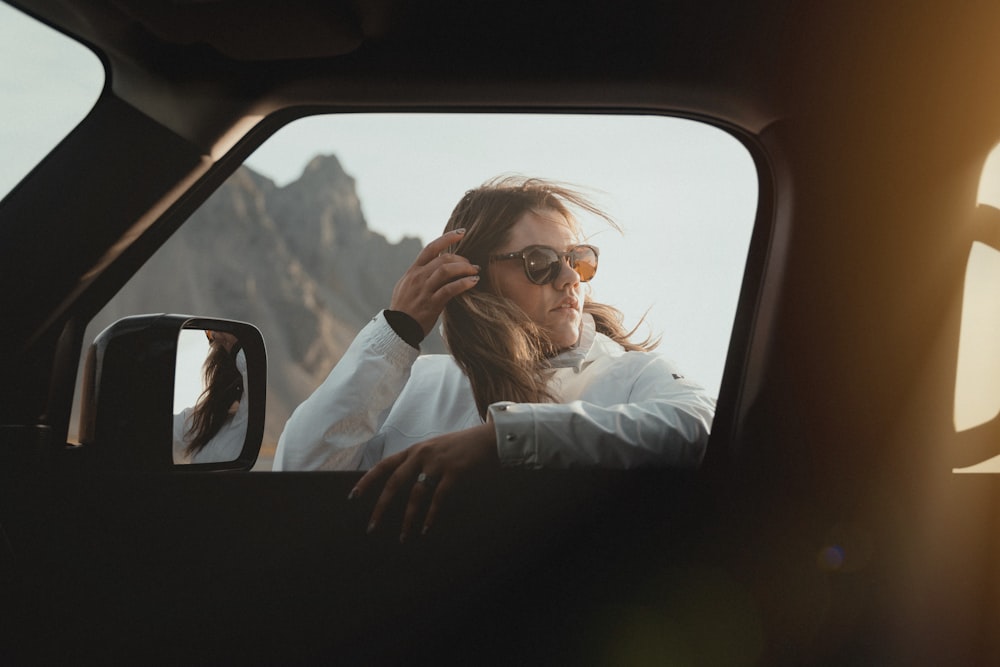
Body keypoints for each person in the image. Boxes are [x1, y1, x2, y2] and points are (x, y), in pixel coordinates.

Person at [274, 176, 715, 541]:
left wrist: (504, 440)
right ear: (473, 278)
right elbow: (300, 474)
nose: (568, 279)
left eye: (578, 260)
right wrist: (396, 332)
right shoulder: (414, 381)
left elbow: (699, 430)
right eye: (539, 262)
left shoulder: (632, 375)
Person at [172, 330, 248, 464]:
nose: (213, 336)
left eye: (213, 332)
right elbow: (161, 427)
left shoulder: (248, 415)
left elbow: (254, 373)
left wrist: (236, 347)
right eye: (208, 332)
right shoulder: (206, 418)